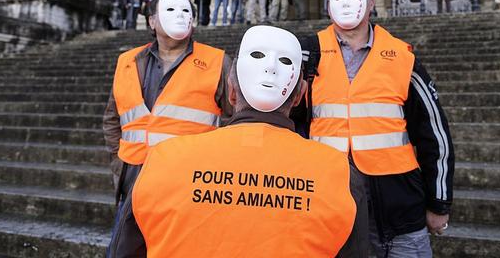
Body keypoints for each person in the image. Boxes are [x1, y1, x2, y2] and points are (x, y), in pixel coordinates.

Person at [113, 25, 357, 257]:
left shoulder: (162, 160)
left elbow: (124, 250)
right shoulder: (339, 174)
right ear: (299, 97)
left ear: (231, 89)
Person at [293, 0, 454, 258]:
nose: (345, 4)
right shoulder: (306, 54)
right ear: (327, 5)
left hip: (398, 204)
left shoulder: (403, 59)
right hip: (328, 201)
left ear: (370, 4)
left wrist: (439, 202)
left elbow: (435, 134)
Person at [103, 0, 233, 256]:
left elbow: (235, 118)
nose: (181, 16)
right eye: (171, 10)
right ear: (152, 21)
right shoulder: (127, 61)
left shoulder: (217, 61)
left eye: (187, 11)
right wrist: (119, 159)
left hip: (189, 180)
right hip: (135, 177)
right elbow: (113, 116)